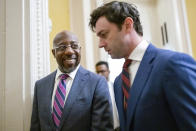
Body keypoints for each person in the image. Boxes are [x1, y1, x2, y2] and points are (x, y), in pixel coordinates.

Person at [89, 1, 196, 131]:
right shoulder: (118, 82)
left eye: (104, 34)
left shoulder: (172, 64)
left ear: (127, 25)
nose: (100, 44)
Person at [30, 30, 113, 131]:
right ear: (53, 53)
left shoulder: (96, 83)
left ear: (80, 50)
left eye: (74, 46)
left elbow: (102, 128)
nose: (69, 51)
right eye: (62, 47)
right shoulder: (40, 86)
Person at [95, 61, 120, 131]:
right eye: (97, 72)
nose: (99, 75)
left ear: (108, 71)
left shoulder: (116, 87)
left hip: (119, 127)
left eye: (102, 71)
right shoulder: (94, 91)